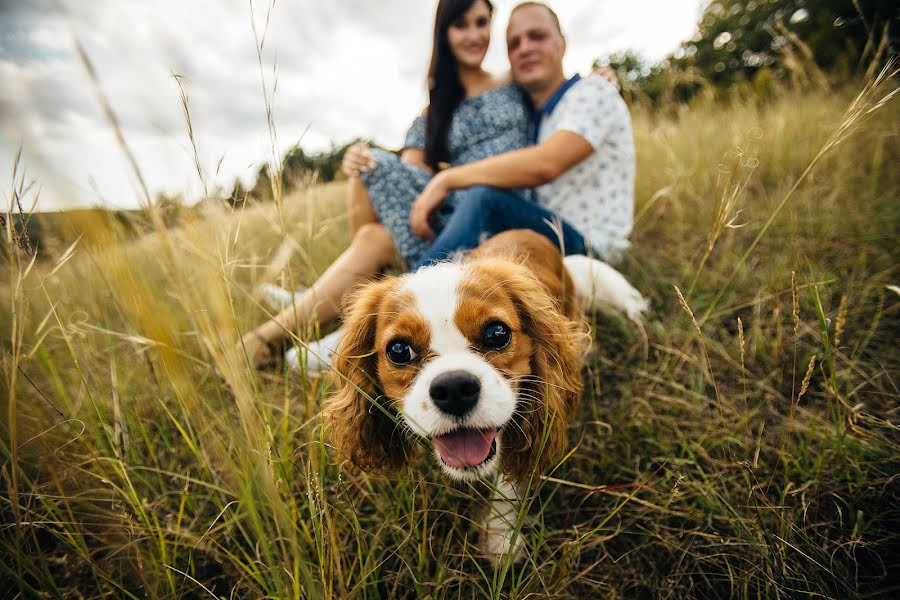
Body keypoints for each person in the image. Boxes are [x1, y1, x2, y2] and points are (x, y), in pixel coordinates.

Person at [240, 0, 533, 369]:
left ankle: (331, 306)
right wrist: (360, 161)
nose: (474, 35)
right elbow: (410, 183)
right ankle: (278, 332)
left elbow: (556, 86)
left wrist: (599, 79)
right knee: (371, 168)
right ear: (445, 33)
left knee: (375, 234)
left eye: (481, 23)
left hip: (498, 212)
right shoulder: (436, 110)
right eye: (462, 25)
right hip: (450, 220)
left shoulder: (513, 81)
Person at [408, 1, 635, 270]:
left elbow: (546, 164)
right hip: (544, 233)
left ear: (562, 44)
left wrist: (447, 179)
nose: (525, 48)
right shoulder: (539, 114)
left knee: (484, 199)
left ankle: (411, 289)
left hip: (588, 246)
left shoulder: (591, 94)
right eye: (514, 44)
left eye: (537, 36)